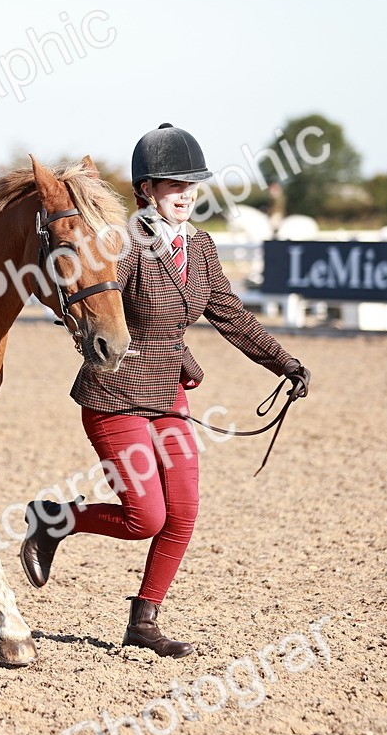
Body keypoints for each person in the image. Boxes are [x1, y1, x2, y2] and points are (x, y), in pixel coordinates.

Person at [20, 124, 311, 658]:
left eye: (192, 184)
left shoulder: (199, 247)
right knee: (144, 517)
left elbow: (231, 315)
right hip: (115, 395)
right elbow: (84, 292)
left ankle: (144, 622)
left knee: (182, 514)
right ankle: (54, 520)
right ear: (145, 191)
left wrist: (285, 364)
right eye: (174, 185)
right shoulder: (124, 245)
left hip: (171, 395)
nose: (187, 195)